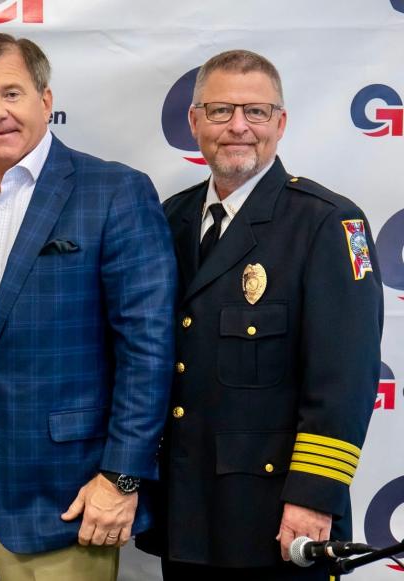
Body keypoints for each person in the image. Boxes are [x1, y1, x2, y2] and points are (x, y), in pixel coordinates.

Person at [0, 33, 176, 580]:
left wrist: (122, 477)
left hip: (70, 501)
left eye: (12, 93)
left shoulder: (113, 191)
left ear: (46, 101)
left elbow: (147, 349)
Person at [136, 49, 384, 581]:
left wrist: (314, 499)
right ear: (194, 120)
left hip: (279, 518)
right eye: (221, 110)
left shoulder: (328, 224)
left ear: (281, 123)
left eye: (257, 112)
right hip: (188, 511)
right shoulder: (169, 218)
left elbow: (344, 382)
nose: (238, 128)